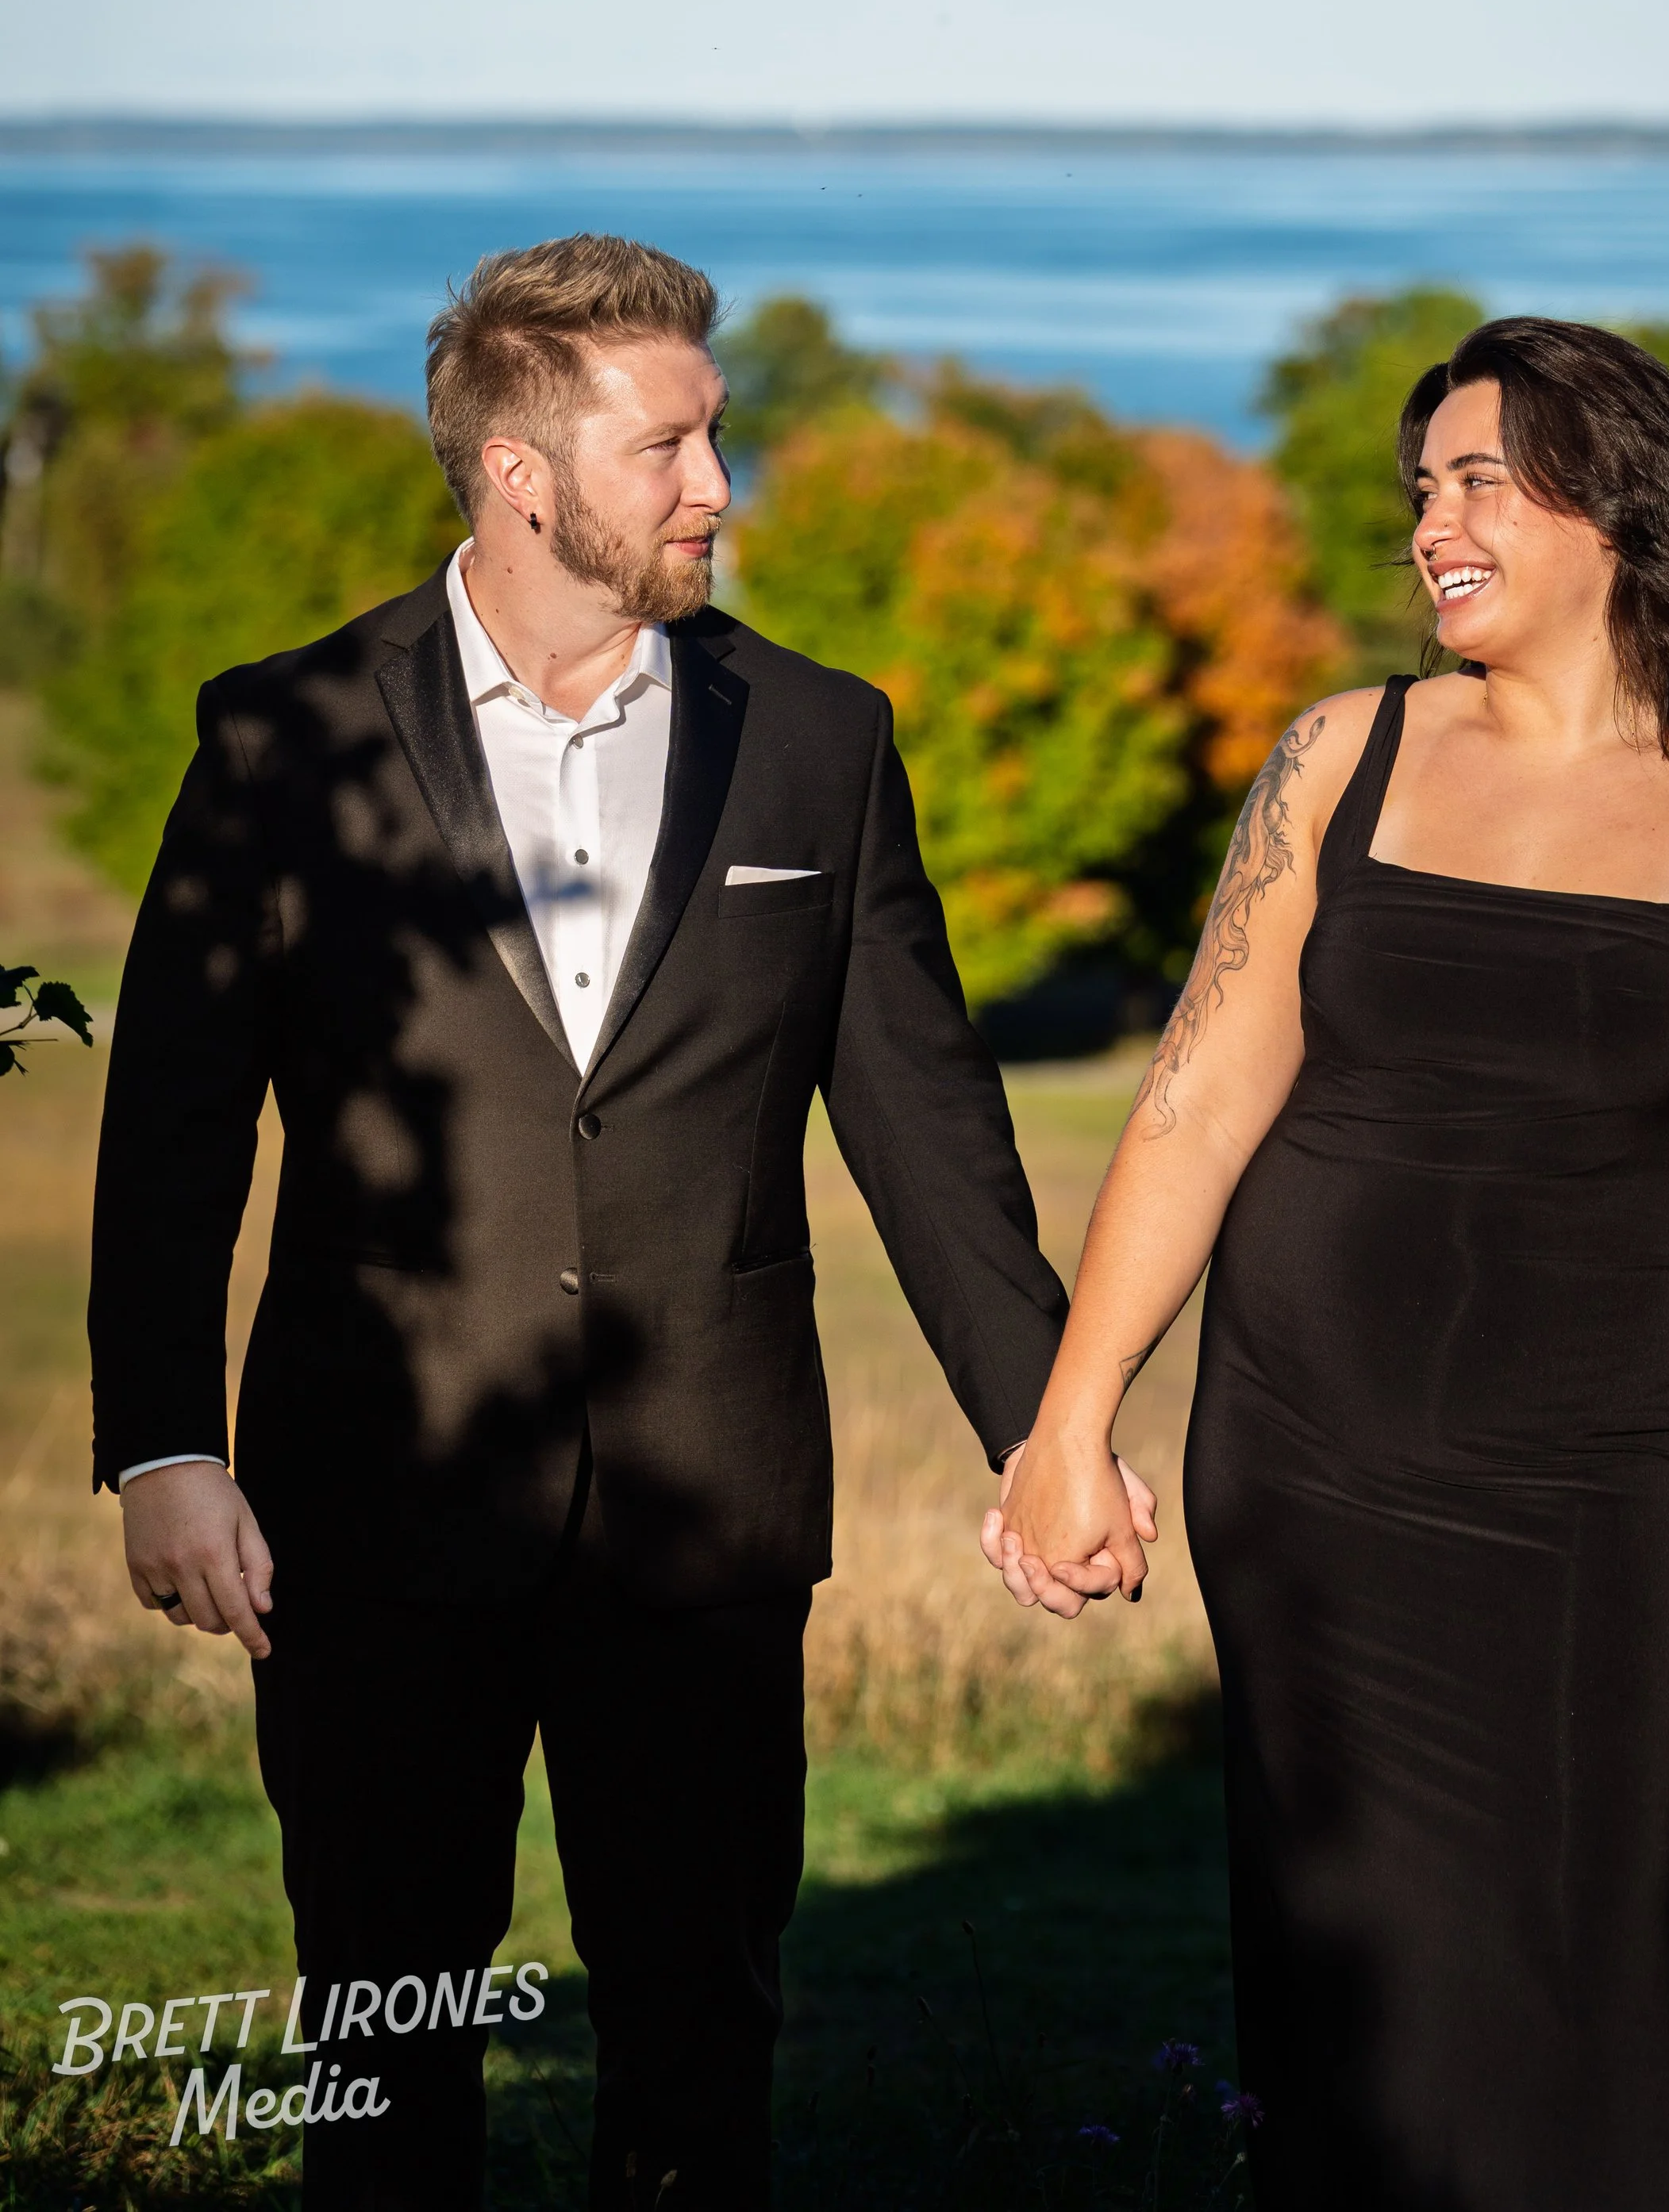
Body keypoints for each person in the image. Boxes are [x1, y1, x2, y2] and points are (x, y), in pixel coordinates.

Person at [90, 234, 1146, 2212]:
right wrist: (164, 1444)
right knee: (379, 2023)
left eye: (713, 438)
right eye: (668, 446)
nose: (713, 486)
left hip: (708, 1505)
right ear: (519, 472)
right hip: (373, 1497)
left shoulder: (820, 739)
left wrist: (1045, 1427)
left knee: (699, 2020)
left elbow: (924, 1124)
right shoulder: (281, 737)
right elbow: (169, 1130)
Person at [987, 316, 1669, 2210]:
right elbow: (1188, 1102)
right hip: (1307, 1470)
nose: (1434, 521)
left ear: (1618, 505)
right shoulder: (1346, 752)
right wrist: (1068, 1418)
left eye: (1481, 478)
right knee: (1351, 1996)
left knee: (1585, 1981)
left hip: (1590, 1484)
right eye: (1420, 488)